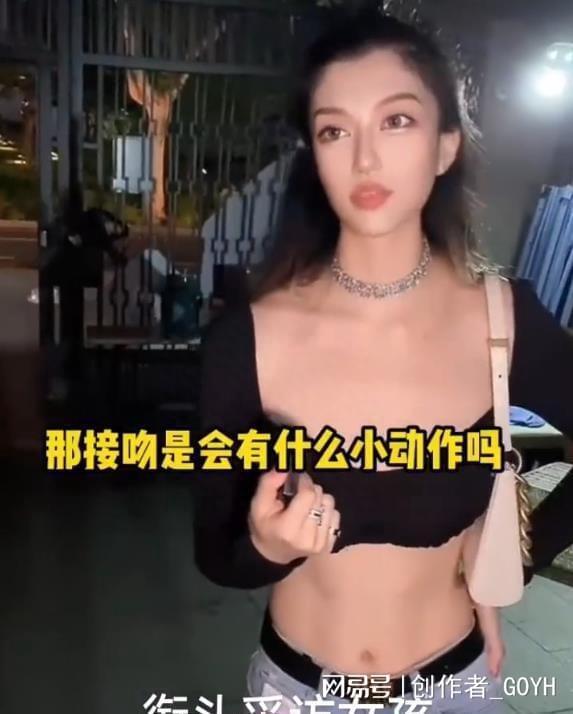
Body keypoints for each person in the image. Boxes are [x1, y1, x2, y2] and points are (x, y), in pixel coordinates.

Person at [193, 8, 573, 714]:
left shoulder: (505, 321)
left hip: (455, 689)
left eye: (396, 121)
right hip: (298, 693)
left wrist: (517, 559)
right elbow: (216, 554)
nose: (364, 159)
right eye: (335, 130)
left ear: (445, 145)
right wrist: (266, 543)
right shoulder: (248, 338)